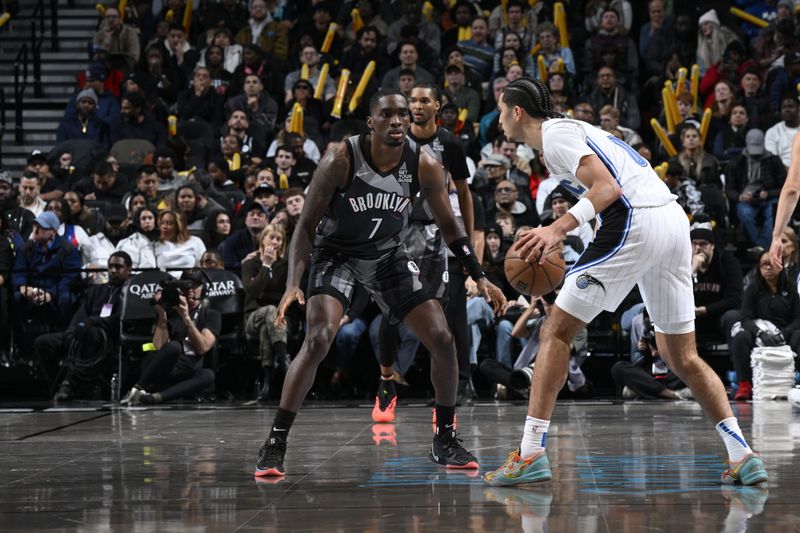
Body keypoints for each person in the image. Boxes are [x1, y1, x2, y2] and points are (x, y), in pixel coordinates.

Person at [483, 77, 767, 487]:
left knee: (556, 331)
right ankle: (743, 455)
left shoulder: (556, 134)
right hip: (671, 222)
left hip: (636, 220)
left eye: (501, 109)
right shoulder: (573, 133)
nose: (499, 122)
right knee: (680, 355)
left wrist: (556, 229)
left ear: (517, 111)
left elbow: (607, 188)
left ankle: (530, 453)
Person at [254, 89, 507, 477]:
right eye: (387, 114)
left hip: (388, 254)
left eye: (403, 115)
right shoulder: (340, 159)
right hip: (337, 253)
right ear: (370, 122)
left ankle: (445, 439)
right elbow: (304, 226)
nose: (397, 121)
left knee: (442, 338)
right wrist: (293, 282)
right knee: (319, 338)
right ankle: (275, 441)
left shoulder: (423, 164)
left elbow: (450, 225)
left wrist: (480, 275)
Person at [371, 83, 475, 423]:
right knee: (391, 314)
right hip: (396, 231)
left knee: (439, 321)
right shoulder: (393, 140)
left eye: (423, 100)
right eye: (412, 100)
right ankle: (387, 382)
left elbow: (464, 193)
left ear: (437, 106)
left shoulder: (450, 144)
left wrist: (467, 244)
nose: (417, 106)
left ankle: (442, 401)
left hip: (434, 233)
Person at [35, 252, 132, 401]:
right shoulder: (97, 290)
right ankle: (57, 386)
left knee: (89, 332)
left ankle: (69, 385)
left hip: (108, 340)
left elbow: (120, 319)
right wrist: (72, 332)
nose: (113, 270)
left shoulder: (130, 292)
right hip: (83, 334)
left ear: (129, 269)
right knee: (43, 342)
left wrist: (93, 322)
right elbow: (80, 317)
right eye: (110, 266)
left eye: (118, 267)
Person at [121, 269, 218, 405]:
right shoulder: (171, 311)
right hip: (164, 367)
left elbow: (203, 348)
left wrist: (186, 317)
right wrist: (162, 315)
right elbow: (158, 347)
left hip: (186, 372)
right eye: (186, 285)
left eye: (195, 285)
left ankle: (154, 398)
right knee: (173, 347)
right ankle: (136, 389)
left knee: (208, 375)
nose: (190, 289)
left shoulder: (211, 314)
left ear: (203, 288)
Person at [730, 251, 800, 401]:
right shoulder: (752, 289)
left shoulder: (792, 288)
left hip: (784, 332)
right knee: (740, 337)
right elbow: (745, 318)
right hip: (760, 332)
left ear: (780, 265)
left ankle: (796, 384)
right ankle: (744, 384)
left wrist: (785, 333)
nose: (768, 268)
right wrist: (760, 333)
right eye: (764, 264)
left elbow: (798, 318)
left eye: (772, 264)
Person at [242, 224, 292, 400]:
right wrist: (266, 265)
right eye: (271, 237)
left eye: (279, 239)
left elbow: (287, 294)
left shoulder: (287, 265)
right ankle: (284, 360)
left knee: (267, 327)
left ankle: (268, 381)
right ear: (263, 239)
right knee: (271, 310)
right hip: (252, 317)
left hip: (279, 319)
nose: (275, 242)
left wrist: (265, 294)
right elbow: (253, 292)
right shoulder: (250, 264)